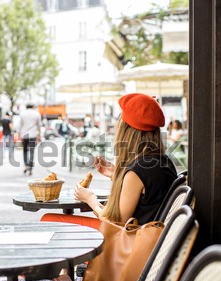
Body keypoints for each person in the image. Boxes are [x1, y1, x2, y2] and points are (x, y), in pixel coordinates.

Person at [41, 93, 178, 228]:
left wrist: (90, 199)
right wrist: (116, 174)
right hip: (150, 237)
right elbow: (149, 195)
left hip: (130, 241)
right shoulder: (163, 161)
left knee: (49, 220)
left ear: (127, 132)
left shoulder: (137, 171)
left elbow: (115, 223)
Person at [18, 104, 41, 175]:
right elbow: (39, 125)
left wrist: (19, 134)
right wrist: (39, 135)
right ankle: (30, 167)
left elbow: (20, 125)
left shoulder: (22, 113)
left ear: (26, 107)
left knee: (25, 150)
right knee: (32, 151)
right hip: (33, 135)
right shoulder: (36, 113)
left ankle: (25, 165)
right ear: (33, 107)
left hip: (24, 135)